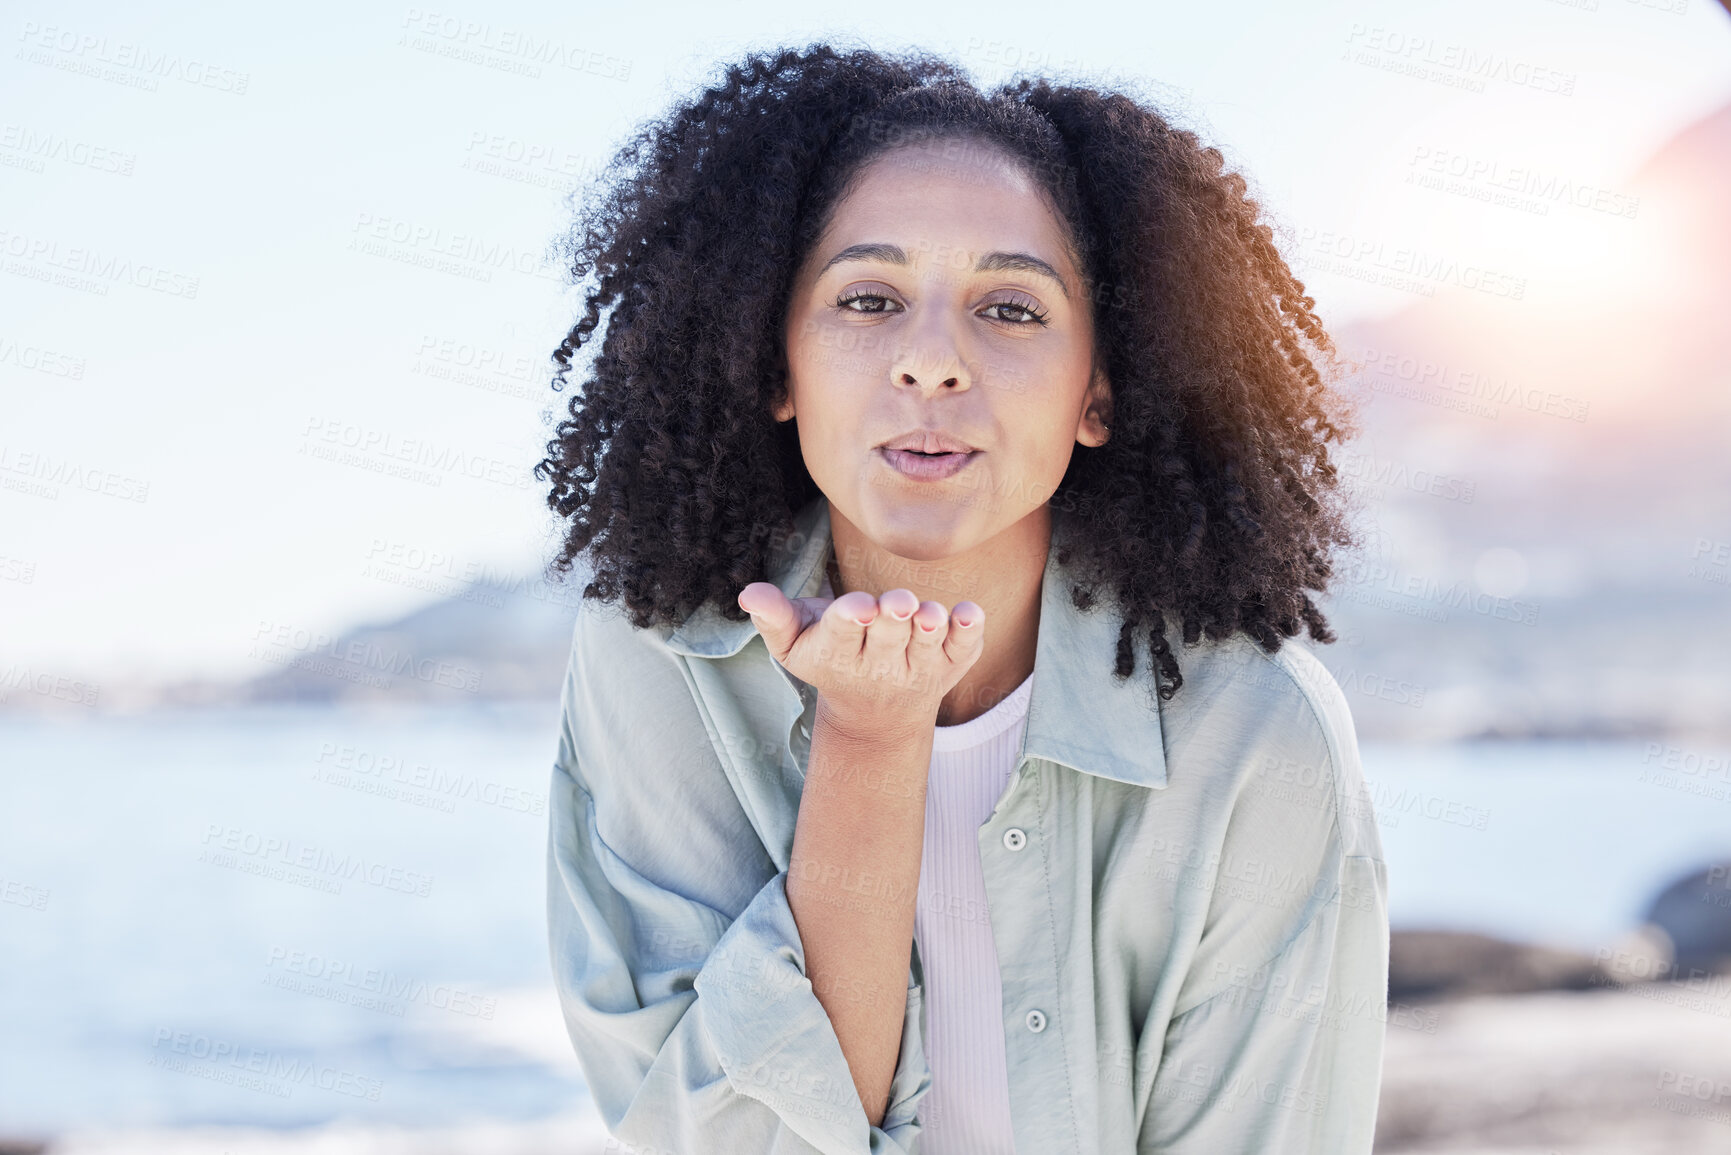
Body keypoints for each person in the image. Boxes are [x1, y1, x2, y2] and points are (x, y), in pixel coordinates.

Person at [537, 43, 1387, 1155]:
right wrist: (869, 737)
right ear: (776, 363)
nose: (931, 363)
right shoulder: (659, 662)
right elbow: (721, 1142)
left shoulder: (1258, 737)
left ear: (1100, 390)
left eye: (1012, 310)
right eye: (870, 297)